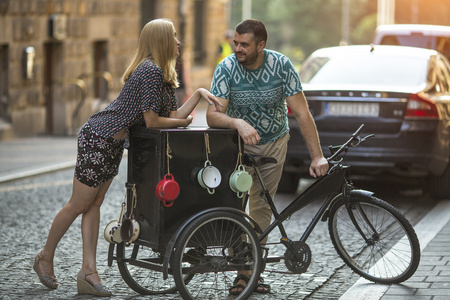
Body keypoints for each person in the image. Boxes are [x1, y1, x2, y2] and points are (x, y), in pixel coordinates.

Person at [33, 18, 222, 297]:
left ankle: (87, 272)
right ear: (160, 40)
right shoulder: (149, 71)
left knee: (94, 204)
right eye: (174, 36)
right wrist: (183, 123)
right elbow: (153, 121)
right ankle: (45, 257)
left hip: (114, 143)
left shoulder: (163, 75)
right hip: (98, 136)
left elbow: (172, 116)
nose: (179, 41)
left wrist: (198, 95)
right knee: (79, 203)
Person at [207, 19, 329, 295]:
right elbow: (213, 115)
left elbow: (302, 113)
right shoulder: (226, 68)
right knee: (234, 208)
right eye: (235, 42)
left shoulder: (281, 66)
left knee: (261, 208)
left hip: (273, 143)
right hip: (235, 146)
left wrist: (317, 157)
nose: (237, 48)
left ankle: (247, 273)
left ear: (261, 45)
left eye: (244, 44)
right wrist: (238, 123)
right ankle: (246, 267)